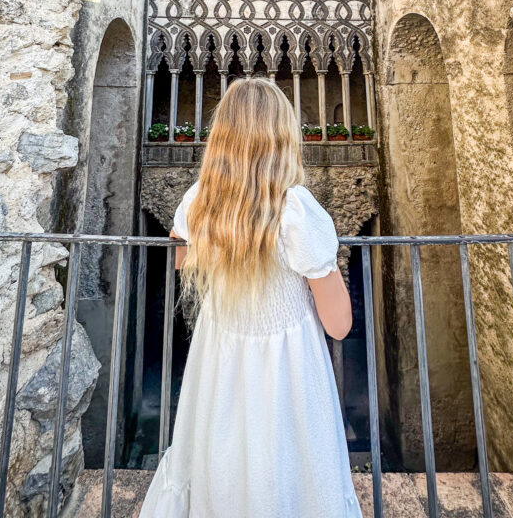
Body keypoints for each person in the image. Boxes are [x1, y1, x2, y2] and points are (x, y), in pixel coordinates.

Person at [140, 77, 362, 518]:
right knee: (287, 471)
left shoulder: (199, 201)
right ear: (282, 135)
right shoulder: (295, 211)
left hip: (219, 358)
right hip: (288, 370)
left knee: (218, 463)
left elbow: (183, 259)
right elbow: (339, 324)